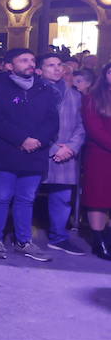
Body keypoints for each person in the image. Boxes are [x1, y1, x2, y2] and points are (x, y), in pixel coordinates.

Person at [0, 48, 59, 260]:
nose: (30, 63)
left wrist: (37, 140)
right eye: (23, 60)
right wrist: (21, 139)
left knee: (26, 198)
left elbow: (52, 121)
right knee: (2, 197)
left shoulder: (45, 89)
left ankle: (24, 241)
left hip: (35, 153)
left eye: (32, 60)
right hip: (5, 152)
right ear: (9, 65)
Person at [40, 53, 87, 256]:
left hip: (66, 153)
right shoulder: (33, 93)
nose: (57, 68)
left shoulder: (74, 95)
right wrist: (54, 149)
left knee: (62, 198)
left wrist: (71, 148)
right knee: (24, 196)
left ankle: (58, 238)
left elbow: (81, 125)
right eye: (51, 65)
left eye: (59, 65)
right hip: (40, 152)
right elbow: (29, 126)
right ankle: (20, 237)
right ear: (39, 70)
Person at [81, 62, 111, 259]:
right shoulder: (93, 97)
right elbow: (95, 129)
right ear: (105, 74)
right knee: (99, 198)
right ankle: (98, 239)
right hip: (101, 155)